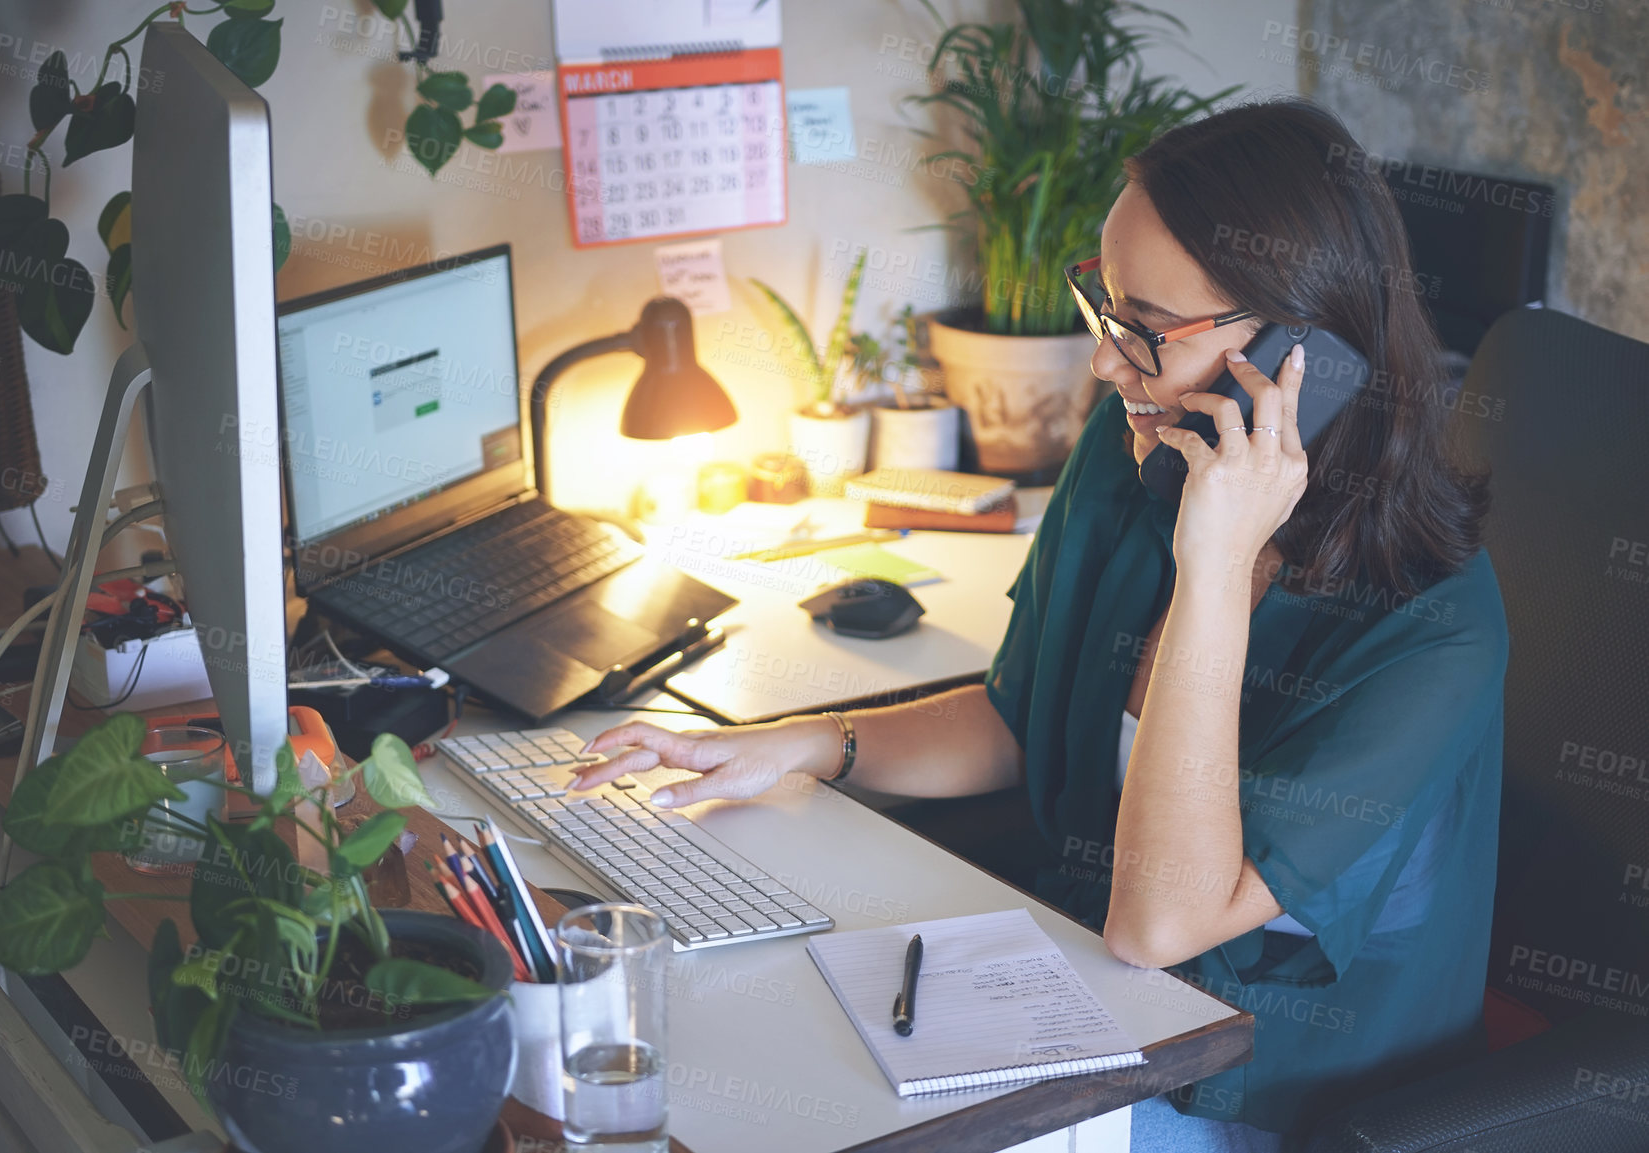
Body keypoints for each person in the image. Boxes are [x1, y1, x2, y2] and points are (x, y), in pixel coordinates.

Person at [571, 97, 1507, 1149]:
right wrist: (802, 745)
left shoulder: (1431, 631)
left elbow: (1161, 925)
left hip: (1259, 1088)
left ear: (1307, 360)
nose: (1106, 364)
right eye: (1103, 308)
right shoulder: (1135, 453)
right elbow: (1020, 713)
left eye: (1144, 332)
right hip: (1072, 994)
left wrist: (1212, 566)